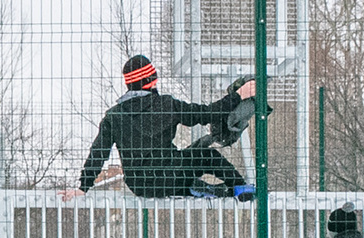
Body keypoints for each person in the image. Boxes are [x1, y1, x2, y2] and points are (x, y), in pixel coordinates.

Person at [76, 55, 257, 200]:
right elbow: (208, 113)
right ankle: (239, 188)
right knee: (207, 155)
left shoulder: (114, 116)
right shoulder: (166, 105)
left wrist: (83, 187)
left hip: (139, 185)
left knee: (177, 167)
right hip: (171, 175)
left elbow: (98, 152)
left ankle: (196, 188)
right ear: (152, 80)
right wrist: (238, 95)